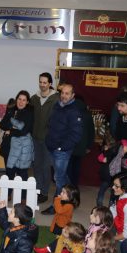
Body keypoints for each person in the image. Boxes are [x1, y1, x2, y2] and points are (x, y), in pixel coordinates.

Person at [42, 83, 83, 215]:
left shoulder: (74, 111)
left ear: (72, 95)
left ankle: (57, 205)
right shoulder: (57, 106)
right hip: (52, 147)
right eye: (62, 93)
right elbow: (51, 125)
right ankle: (73, 197)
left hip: (62, 151)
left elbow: (76, 134)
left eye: (67, 93)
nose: (64, 96)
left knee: (59, 178)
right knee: (61, 176)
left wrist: (61, 147)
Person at [30, 72, 60, 204]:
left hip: (48, 139)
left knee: (45, 166)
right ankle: (37, 189)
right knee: (36, 165)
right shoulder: (34, 98)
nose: (42, 85)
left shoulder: (56, 98)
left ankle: (44, 192)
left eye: (45, 82)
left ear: (50, 84)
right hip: (35, 137)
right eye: (40, 82)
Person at [0, 90, 34, 191]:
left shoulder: (29, 113)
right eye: (19, 99)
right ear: (16, 99)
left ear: (27, 102)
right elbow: (2, 124)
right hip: (8, 146)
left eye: (24, 100)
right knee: (9, 172)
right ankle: (8, 194)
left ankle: (23, 196)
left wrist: (10, 130)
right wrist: (13, 127)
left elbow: (25, 130)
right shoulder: (11, 110)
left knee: (22, 173)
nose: (21, 102)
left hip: (21, 148)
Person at [67, 95, 95, 188]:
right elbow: (91, 131)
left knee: (68, 167)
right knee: (77, 166)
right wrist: (89, 146)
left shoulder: (69, 111)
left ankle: (68, 186)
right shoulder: (87, 114)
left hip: (70, 144)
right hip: (81, 146)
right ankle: (74, 186)